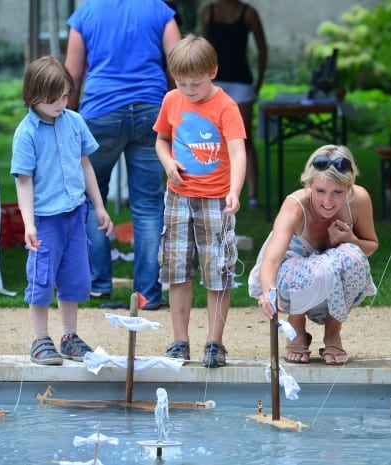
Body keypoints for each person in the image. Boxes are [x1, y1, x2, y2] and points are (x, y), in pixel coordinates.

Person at [65, 0, 181, 310]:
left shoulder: (85, 14)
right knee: (148, 204)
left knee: (90, 197)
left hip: (101, 112)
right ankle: (148, 294)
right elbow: (179, 63)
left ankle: (98, 283)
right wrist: (176, 105)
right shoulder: (160, 10)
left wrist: (66, 116)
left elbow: (72, 74)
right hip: (151, 113)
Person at [11, 56, 113, 365]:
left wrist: (98, 205)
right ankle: (40, 339)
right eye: (53, 99)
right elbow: (24, 182)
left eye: (65, 96)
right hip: (45, 219)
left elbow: (85, 165)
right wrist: (28, 223)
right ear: (33, 95)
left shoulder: (75, 122)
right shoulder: (26, 133)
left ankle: (69, 337)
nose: (60, 103)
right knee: (41, 279)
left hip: (75, 214)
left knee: (75, 278)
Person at [154, 34, 247, 368]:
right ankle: (180, 340)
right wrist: (167, 162)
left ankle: (214, 343)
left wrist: (234, 190)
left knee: (218, 271)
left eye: (195, 83)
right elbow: (162, 141)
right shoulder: (171, 100)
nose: (188, 90)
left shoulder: (225, 106)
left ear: (213, 72)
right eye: (181, 83)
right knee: (177, 269)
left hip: (215, 200)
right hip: (178, 197)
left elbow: (237, 152)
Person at [249, 144, 378, 365]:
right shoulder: (295, 205)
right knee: (306, 269)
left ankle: (333, 332)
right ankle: (297, 327)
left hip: (331, 280)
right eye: (320, 191)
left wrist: (351, 240)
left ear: (349, 187)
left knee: (354, 256)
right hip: (293, 279)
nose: (328, 202)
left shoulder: (359, 200)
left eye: (338, 192)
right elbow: (271, 259)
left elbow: (371, 245)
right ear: (309, 184)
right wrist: (269, 290)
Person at [199, 0, 267, 209]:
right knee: (212, 139)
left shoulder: (248, 13)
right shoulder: (207, 12)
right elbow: (200, 49)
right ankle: (214, 189)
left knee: (244, 137)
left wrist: (259, 81)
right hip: (214, 81)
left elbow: (262, 48)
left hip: (241, 81)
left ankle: (253, 194)